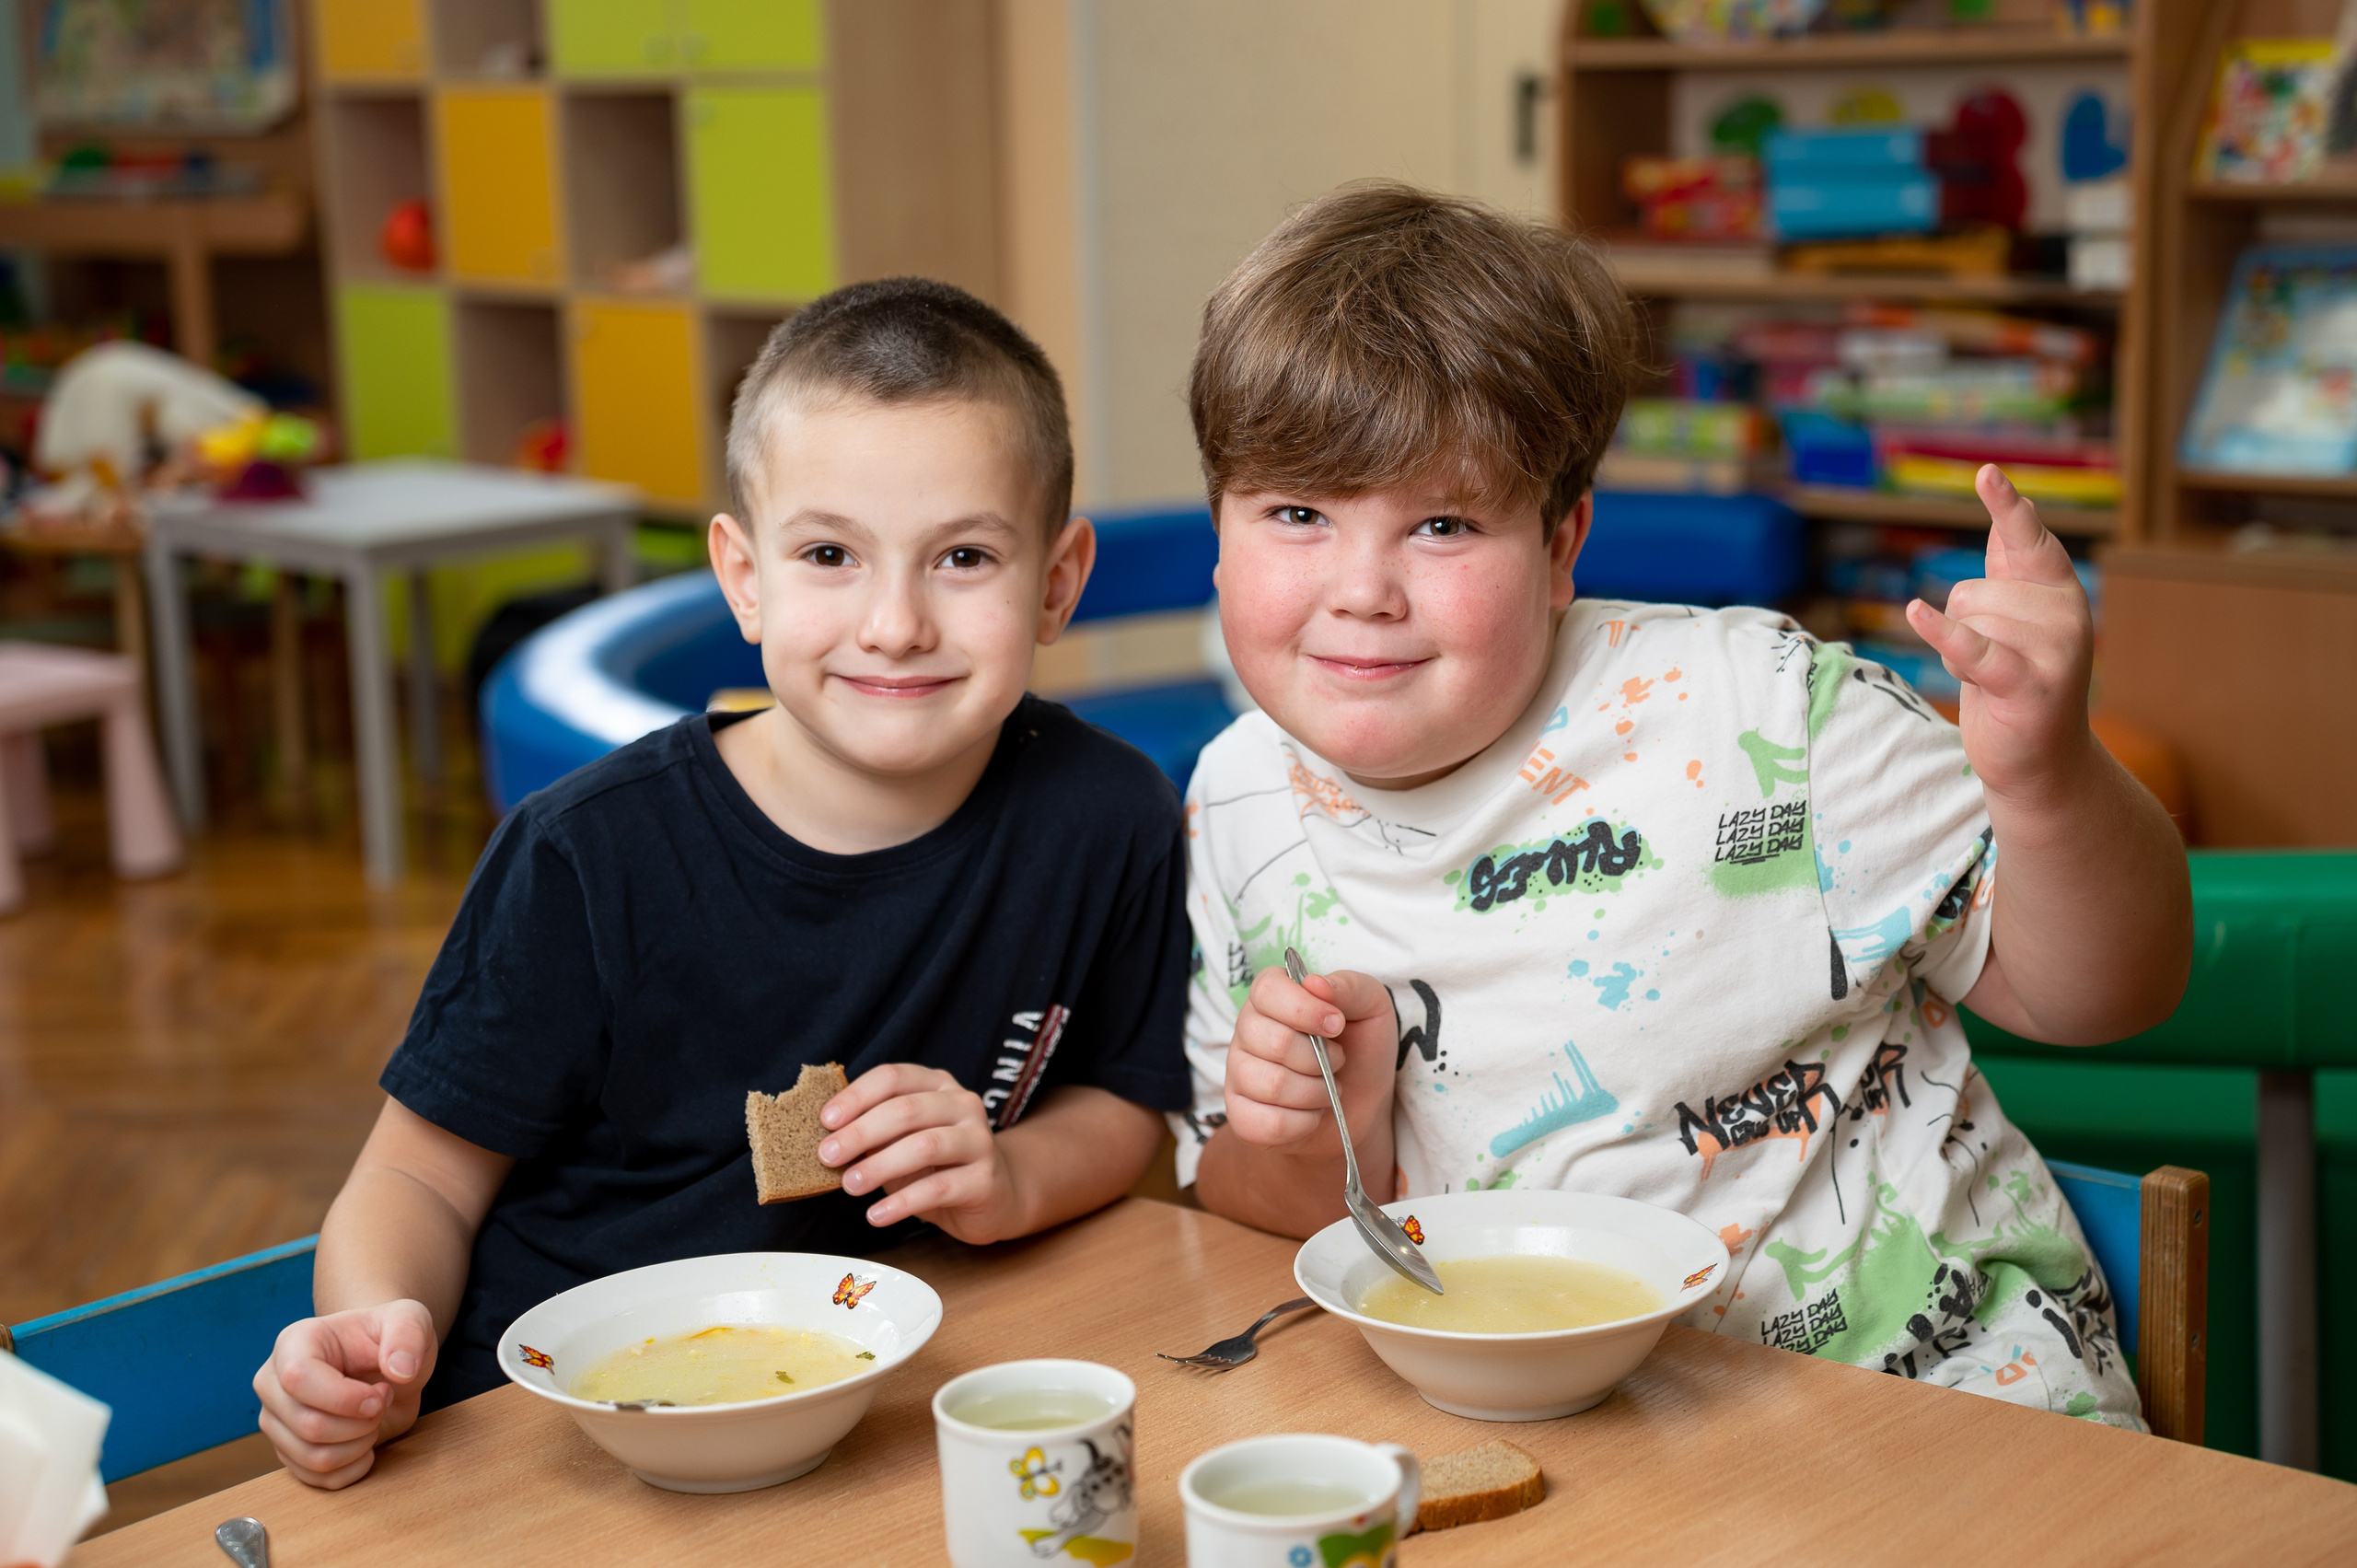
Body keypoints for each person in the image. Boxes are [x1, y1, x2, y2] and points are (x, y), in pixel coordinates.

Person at [1172, 183, 2190, 1426]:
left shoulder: (1766, 715)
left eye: (1442, 523)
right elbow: (1271, 1215)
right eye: (1297, 515)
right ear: (1217, 532)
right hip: (1556, 1429)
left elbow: (2107, 994)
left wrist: (2048, 777)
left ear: (1560, 549)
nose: (1363, 590)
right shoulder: (1233, 798)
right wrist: (1309, 1128)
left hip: (1934, 1402)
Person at [255, 279, 1191, 1487]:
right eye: (829, 556)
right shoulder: (585, 855)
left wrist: (1012, 1175)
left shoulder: (1109, 819)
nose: (895, 623)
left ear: (1058, 583)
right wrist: (373, 1338)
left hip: (872, 1412)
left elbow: (1125, 1101)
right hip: (552, 1443)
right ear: (744, 579)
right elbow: (418, 1175)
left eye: (963, 556)